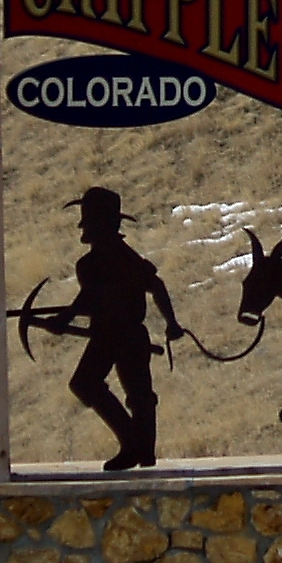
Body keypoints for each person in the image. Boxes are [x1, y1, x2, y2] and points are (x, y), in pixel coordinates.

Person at [64, 187, 183, 470]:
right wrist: (171, 323)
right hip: (113, 335)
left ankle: (135, 445)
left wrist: (64, 318)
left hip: (118, 336)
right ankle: (139, 446)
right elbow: (154, 287)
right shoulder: (117, 258)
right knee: (135, 393)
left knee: (103, 386)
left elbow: (88, 299)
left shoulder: (100, 262)